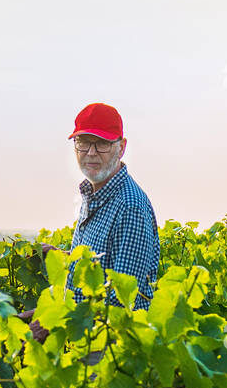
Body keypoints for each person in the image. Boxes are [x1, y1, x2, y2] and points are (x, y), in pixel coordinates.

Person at [20, 102, 160, 345]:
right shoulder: (94, 194)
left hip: (112, 351)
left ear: (122, 147)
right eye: (83, 142)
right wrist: (64, 257)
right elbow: (100, 269)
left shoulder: (130, 207)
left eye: (102, 143)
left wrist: (53, 320)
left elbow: (117, 303)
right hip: (85, 342)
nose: (91, 152)